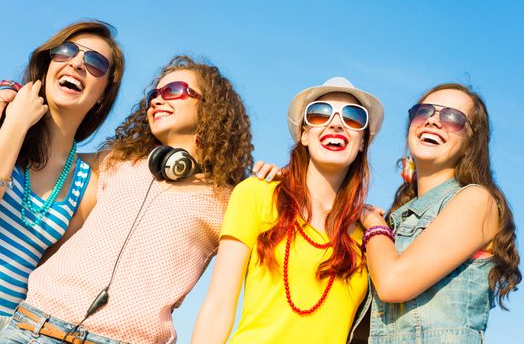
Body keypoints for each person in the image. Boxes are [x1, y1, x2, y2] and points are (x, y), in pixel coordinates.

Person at [0, 55, 278, 344]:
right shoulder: (116, 162)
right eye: (153, 95)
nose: (157, 100)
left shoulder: (229, 200)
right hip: (31, 329)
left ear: (210, 109)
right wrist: (9, 92)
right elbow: (52, 148)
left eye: (173, 91)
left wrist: (278, 180)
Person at [192, 77, 384, 344]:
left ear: (363, 142)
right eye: (320, 114)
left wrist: (377, 227)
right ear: (304, 134)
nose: (336, 123)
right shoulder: (257, 194)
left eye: (353, 118)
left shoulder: (370, 234)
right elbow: (218, 306)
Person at [360, 83, 521, 343]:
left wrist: (371, 222)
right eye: (424, 112)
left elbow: (393, 282)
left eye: (453, 118)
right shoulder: (395, 222)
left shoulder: (476, 200)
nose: (433, 121)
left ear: (471, 143)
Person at [0, 20, 124, 328]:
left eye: (96, 62)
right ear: (46, 65)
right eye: (66, 51)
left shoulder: (86, 181)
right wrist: (15, 124)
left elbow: (45, 281)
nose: (78, 62)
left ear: (102, 95)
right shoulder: (3, 116)